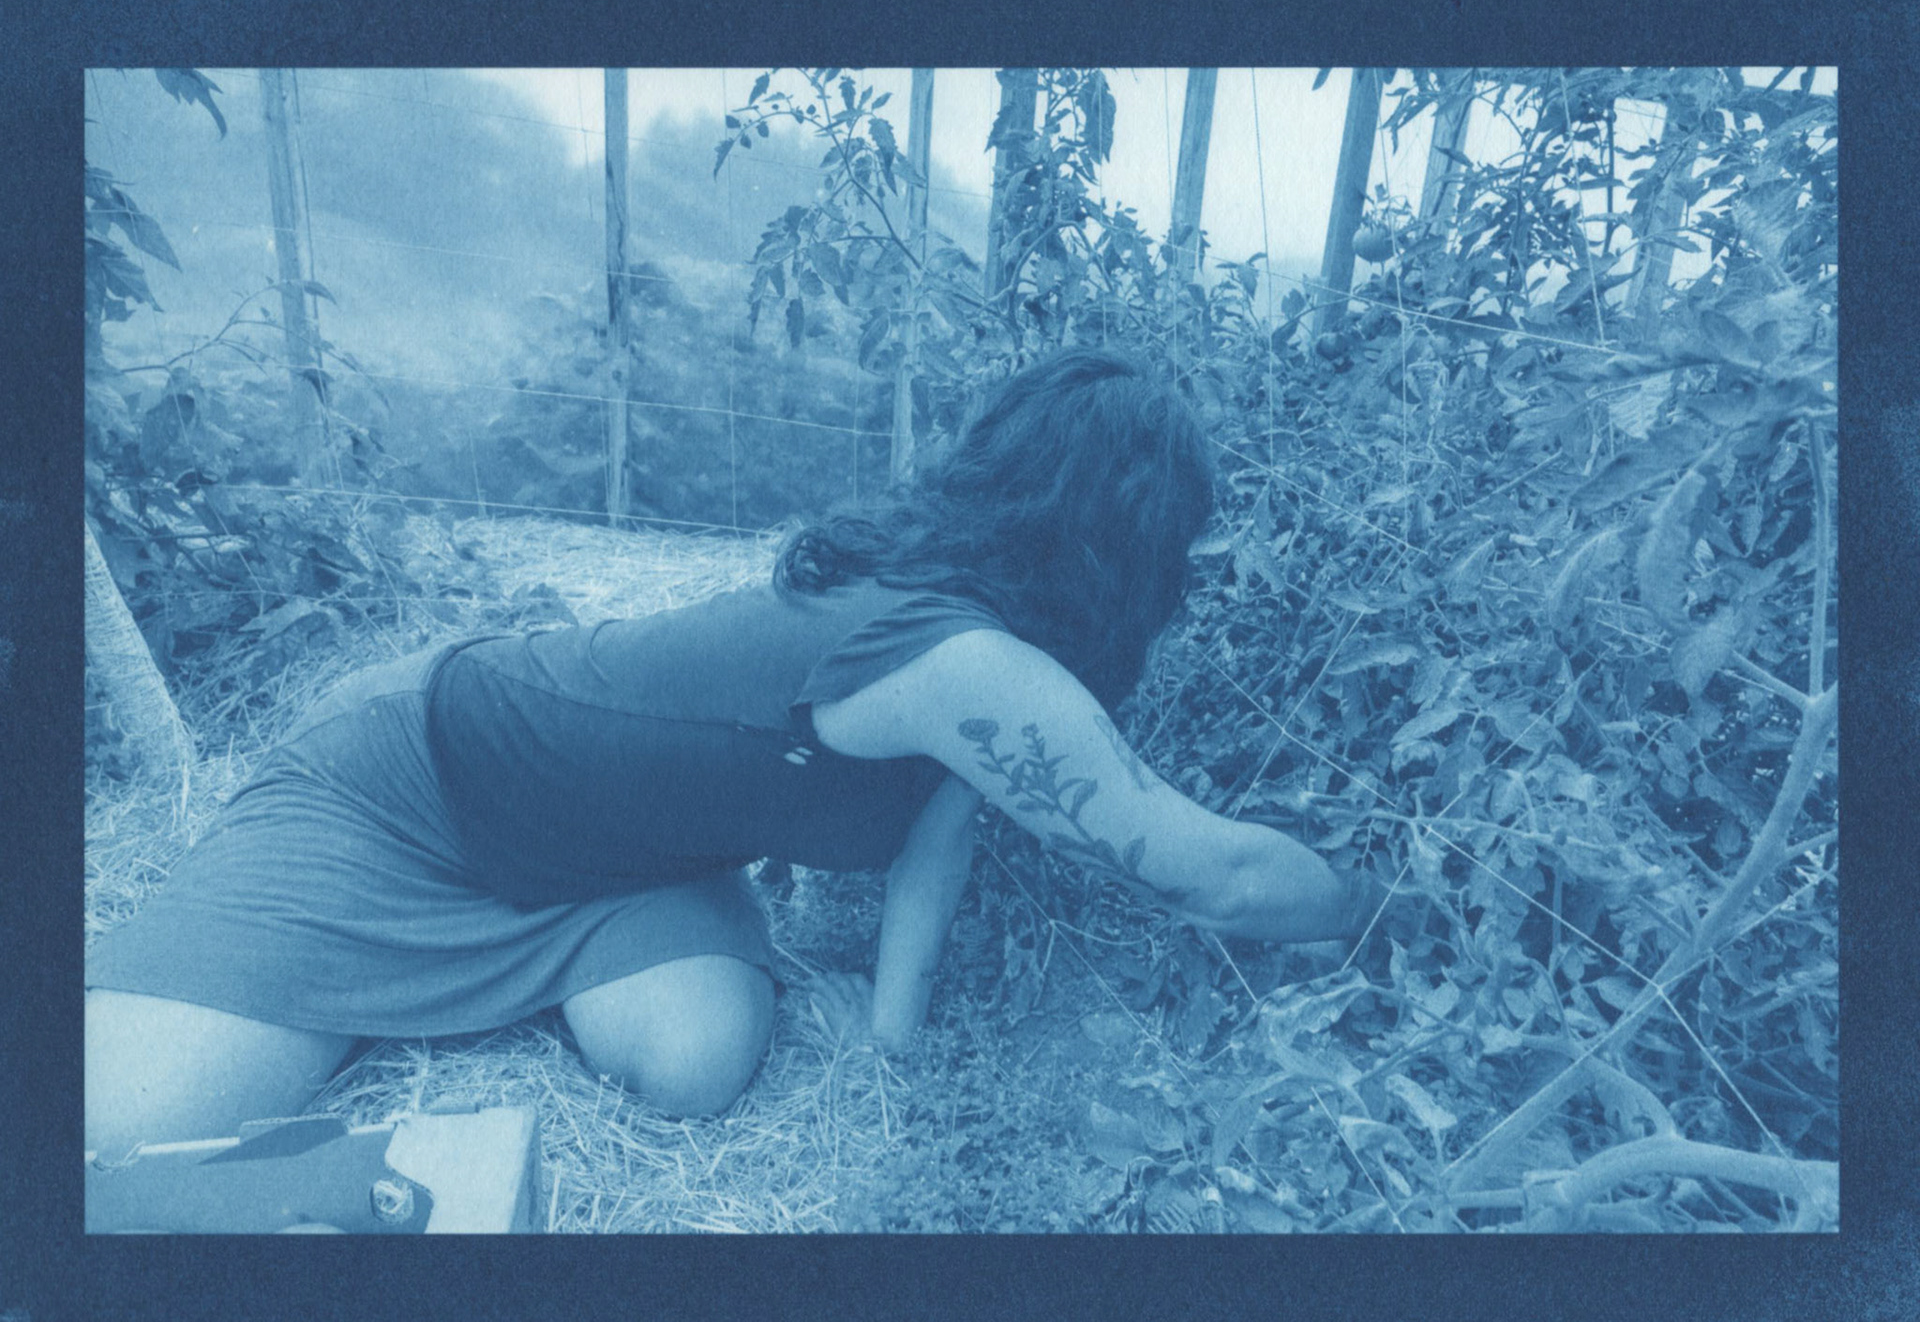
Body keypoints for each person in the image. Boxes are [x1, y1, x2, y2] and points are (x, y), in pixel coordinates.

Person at [84, 347, 1375, 1161]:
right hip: (406, 790)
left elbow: (939, 833)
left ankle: (481, 977)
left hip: (619, 865)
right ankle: (313, 977)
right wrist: (1395, 908)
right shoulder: (962, 654)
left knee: (695, 1071)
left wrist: (890, 1039)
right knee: (122, 1129)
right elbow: (1212, 874)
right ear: (1127, 538)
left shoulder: (975, 637)